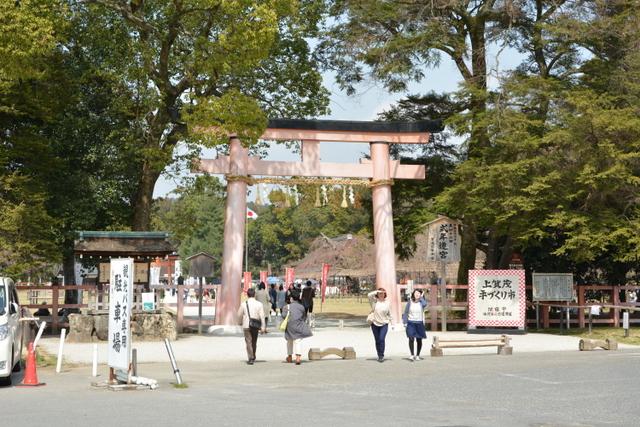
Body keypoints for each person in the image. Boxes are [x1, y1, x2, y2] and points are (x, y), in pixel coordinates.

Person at [283, 288, 312, 365]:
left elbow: (283, 316)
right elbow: (304, 317)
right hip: (298, 325)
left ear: (291, 298)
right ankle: (298, 357)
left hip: (289, 326)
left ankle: (289, 357)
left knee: (289, 341)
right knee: (297, 341)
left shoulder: (286, 307)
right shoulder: (301, 307)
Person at [237, 288, 266, 365]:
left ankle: (250, 357)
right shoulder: (259, 304)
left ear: (247, 295)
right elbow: (262, 316)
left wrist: (239, 322)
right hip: (255, 325)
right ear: (254, 294)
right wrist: (263, 326)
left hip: (246, 325)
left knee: (248, 342)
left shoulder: (244, 304)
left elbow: (239, 315)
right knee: (254, 341)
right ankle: (253, 355)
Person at [368, 288, 392, 362]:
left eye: (382, 293)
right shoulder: (374, 302)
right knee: (377, 340)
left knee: (381, 339)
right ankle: (379, 354)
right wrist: (377, 291)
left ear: (385, 294)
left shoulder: (387, 303)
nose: (381, 294)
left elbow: (390, 313)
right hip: (374, 323)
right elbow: (369, 295)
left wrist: (392, 323)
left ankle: (381, 355)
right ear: (377, 294)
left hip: (384, 323)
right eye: (379, 293)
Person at [402, 289, 428, 361]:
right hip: (411, 323)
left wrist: (421, 297)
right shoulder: (410, 302)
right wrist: (405, 322)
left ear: (421, 295)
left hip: (419, 323)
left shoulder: (421, 302)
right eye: (416, 293)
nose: (417, 294)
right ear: (413, 294)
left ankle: (418, 355)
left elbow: (425, 304)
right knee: (411, 338)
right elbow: (406, 312)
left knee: (419, 340)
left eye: (419, 293)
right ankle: (412, 354)